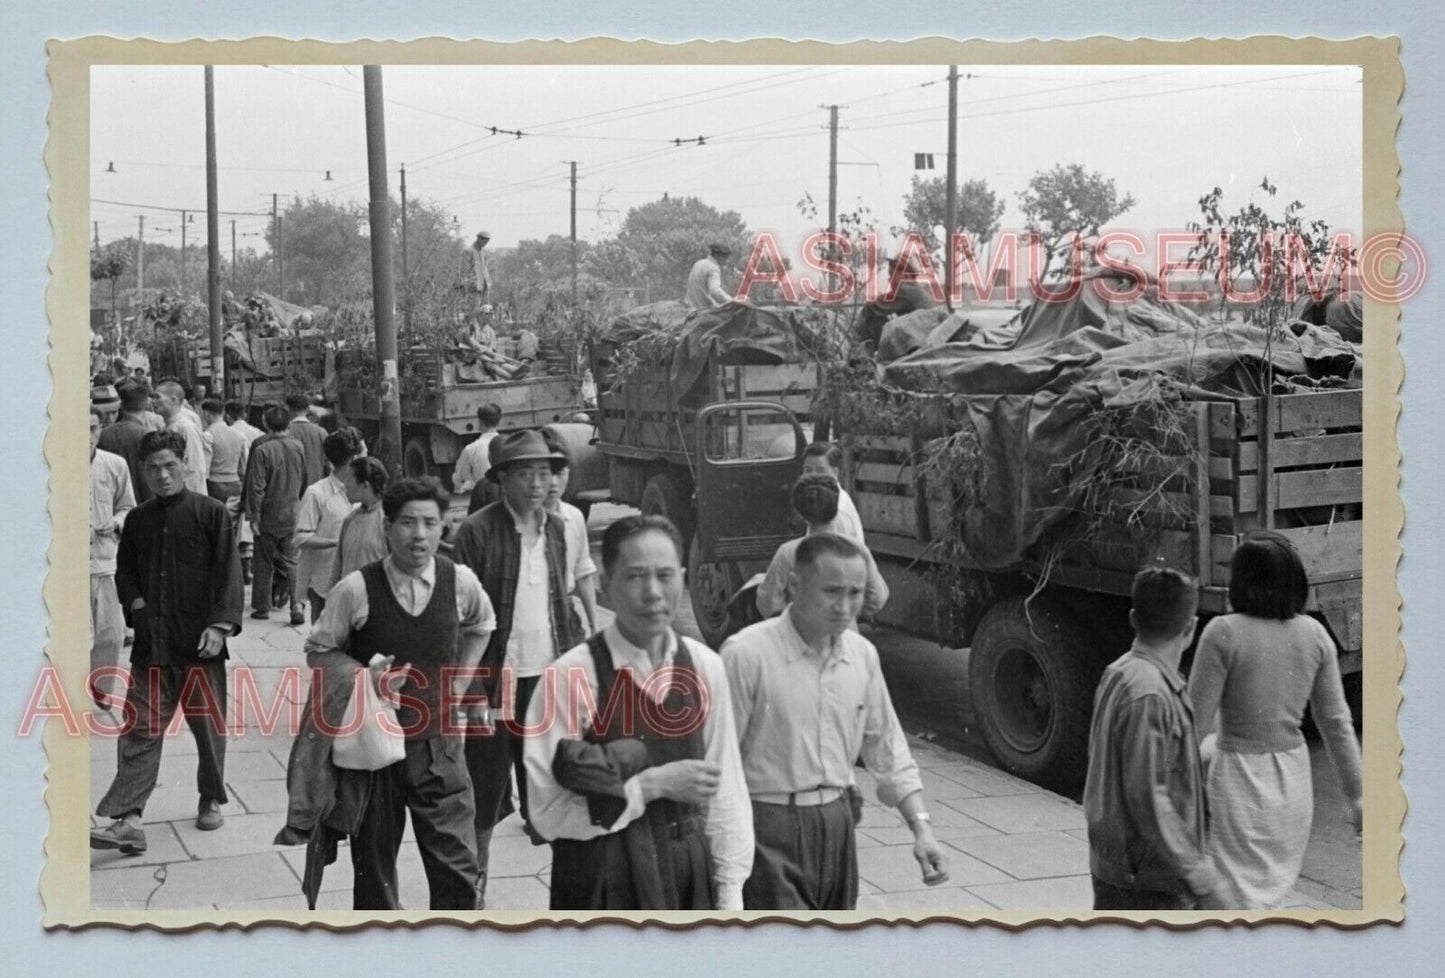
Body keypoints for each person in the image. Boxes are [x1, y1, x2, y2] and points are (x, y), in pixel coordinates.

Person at [524, 514, 754, 910]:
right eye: (634, 576)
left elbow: (726, 790)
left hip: (688, 872)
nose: (653, 592)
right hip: (601, 874)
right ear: (604, 587)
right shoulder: (570, 676)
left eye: (665, 576)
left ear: (682, 579)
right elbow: (545, 813)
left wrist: (730, 893)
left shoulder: (704, 666)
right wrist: (650, 786)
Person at [722, 533, 948, 909]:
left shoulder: (862, 656)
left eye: (855, 593)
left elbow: (887, 747)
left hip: (838, 825)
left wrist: (922, 830)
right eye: (832, 592)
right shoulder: (746, 654)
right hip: (767, 827)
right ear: (794, 586)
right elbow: (719, 761)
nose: (845, 607)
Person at [303, 477, 496, 910]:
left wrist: (461, 681)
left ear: (445, 527)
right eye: (408, 522)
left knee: (457, 870)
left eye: (431, 522)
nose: (420, 534)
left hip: (439, 748)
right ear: (387, 527)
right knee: (373, 875)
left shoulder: (459, 581)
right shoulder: (356, 589)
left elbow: (483, 625)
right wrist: (361, 676)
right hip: (373, 754)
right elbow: (318, 650)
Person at [1187, 532, 1364, 909]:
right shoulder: (1315, 635)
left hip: (1237, 780)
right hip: (1293, 783)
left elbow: (1194, 725)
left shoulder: (1223, 633)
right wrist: (1357, 796)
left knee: (1230, 899)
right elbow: (1337, 724)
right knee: (1271, 897)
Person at [90, 429, 243, 854]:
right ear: (144, 470)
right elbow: (126, 573)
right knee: (140, 728)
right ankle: (129, 819)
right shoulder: (137, 520)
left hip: (200, 646)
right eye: (153, 468)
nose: (162, 475)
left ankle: (210, 796)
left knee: (207, 727)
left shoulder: (211, 513)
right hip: (152, 647)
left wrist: (220, 625)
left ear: (184, 465)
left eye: (170, 467)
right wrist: (136, 604)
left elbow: (229, 574)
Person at [451, 428, 582, 904]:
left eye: (543, 472)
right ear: (502, 478)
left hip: (547, 677)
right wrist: (471, 694)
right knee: (482, 788)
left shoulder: (560, 529)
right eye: (524, 473)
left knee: (556, 782)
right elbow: (458, 621)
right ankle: (475, 882)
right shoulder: (476, 532)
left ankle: (571, 888)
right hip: (495, 683)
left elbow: (561, 605)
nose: (535, 484)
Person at [1084, 565, 1224, 911]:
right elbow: (1148, 793)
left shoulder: (1120, 672)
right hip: (1145, 883)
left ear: (1133, 618)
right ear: (1191, 628)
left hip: (1123, 870)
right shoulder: (1152, 695)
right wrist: (1196, 870)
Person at [755, 475, 889, 621]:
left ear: (800, 513)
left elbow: (767, 601)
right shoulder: (857, 549)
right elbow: (877, 597)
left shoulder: (788, 552)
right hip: (844, 633)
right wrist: (851, 614)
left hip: (799, 634)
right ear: (836, 505)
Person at [242, 405, 307, 624]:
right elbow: (304, 479)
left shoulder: (262, 450)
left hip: (268, 516)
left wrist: (253, 516)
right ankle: (296, 605)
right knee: (292, 561)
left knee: (263, 562)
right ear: (289, 424)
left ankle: (262, 607)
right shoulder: (298, 446)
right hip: (292, 513)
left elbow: (256, 487)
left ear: (266, 424)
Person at [90, 408, 135, 711]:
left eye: (92, 428)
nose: (86, 436)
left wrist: (117, 522)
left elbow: (128, 506)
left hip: (106, 561)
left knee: (111, 633)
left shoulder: (114, 465)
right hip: (66, 566)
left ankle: (100, 686)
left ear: (100, 429)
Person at [294, 430, 361, 623]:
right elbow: (301, 538)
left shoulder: (363, 491)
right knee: (322, 644)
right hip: (324, 584)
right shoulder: (316, 493)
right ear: (354, 458)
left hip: (356, 581)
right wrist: (337, 542)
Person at [541, 428, 600, 635]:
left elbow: (583, 573)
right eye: (546, 473)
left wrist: (594, 624)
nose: (554, 483)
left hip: (566, 612)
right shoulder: (520, 519)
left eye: (560, 473)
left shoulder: (573, 517)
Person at [224, 401, 265, 585]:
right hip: (257, 483)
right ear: (245, 414)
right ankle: (248, 566)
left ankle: (241, 566)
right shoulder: (257, 433)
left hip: (238, 481)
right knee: (248, 527)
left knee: (236, 526)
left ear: (227, 415)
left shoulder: (229, 433)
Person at [331, 456, 390, 583]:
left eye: (349, 480)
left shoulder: (388, 521)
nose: (344, 485)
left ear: (365, 485)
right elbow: (337, 566)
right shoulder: (349, 520)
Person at [98, 381, 157, 504]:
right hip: (143, 506)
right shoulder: (148, 435)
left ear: (121, 406)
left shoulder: (102, 435)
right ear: (146, 404)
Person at [152, 379, 210, 494]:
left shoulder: (186, 428)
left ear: (173, 400)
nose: (153, 402)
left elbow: (194, 469)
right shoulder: (166, 426)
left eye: (157, 397)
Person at [801, 442, 864, 544]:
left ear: (835, 472)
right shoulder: (825, 500)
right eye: (807, 470)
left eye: (820, 471)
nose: (812, 476)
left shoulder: (835, 512)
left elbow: (832, 557)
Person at [201, 398, 247, 535]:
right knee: (233, 525)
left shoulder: (207, 435)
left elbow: (205, 467)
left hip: (214, 484)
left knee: (215, 524)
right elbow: (243, 466)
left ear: (206, 415)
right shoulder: (239, 435)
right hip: (235, 484)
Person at [451, 402, 502, 497]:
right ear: (499, 422)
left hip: (483, 499)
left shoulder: (470, 449)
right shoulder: (509, 444)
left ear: (480, 422)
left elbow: (460, 478)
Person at [285, 392, 328, 486]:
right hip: (317, 486)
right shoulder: (321, 432)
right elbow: (328, 463)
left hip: (293, 489)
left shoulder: (285, 432)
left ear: (289, 409)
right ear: (308, 409)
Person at [686, 243, 734, 310]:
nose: (726, 261)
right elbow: (715, 291)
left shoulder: (698, 263)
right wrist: (733, 301)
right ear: (718, 256)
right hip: (703, 310)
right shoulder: (713, 268)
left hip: (691, 308)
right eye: (725, 258)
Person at [471, 230, 493, 305]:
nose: (485, 244)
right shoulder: (469, 251)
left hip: (484, 286)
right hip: (474, 287)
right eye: (485, 242)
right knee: (475, 309)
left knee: (485, 310)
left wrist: (488, 283)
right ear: (479, 239)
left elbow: (485, 268)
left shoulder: (483, 253)